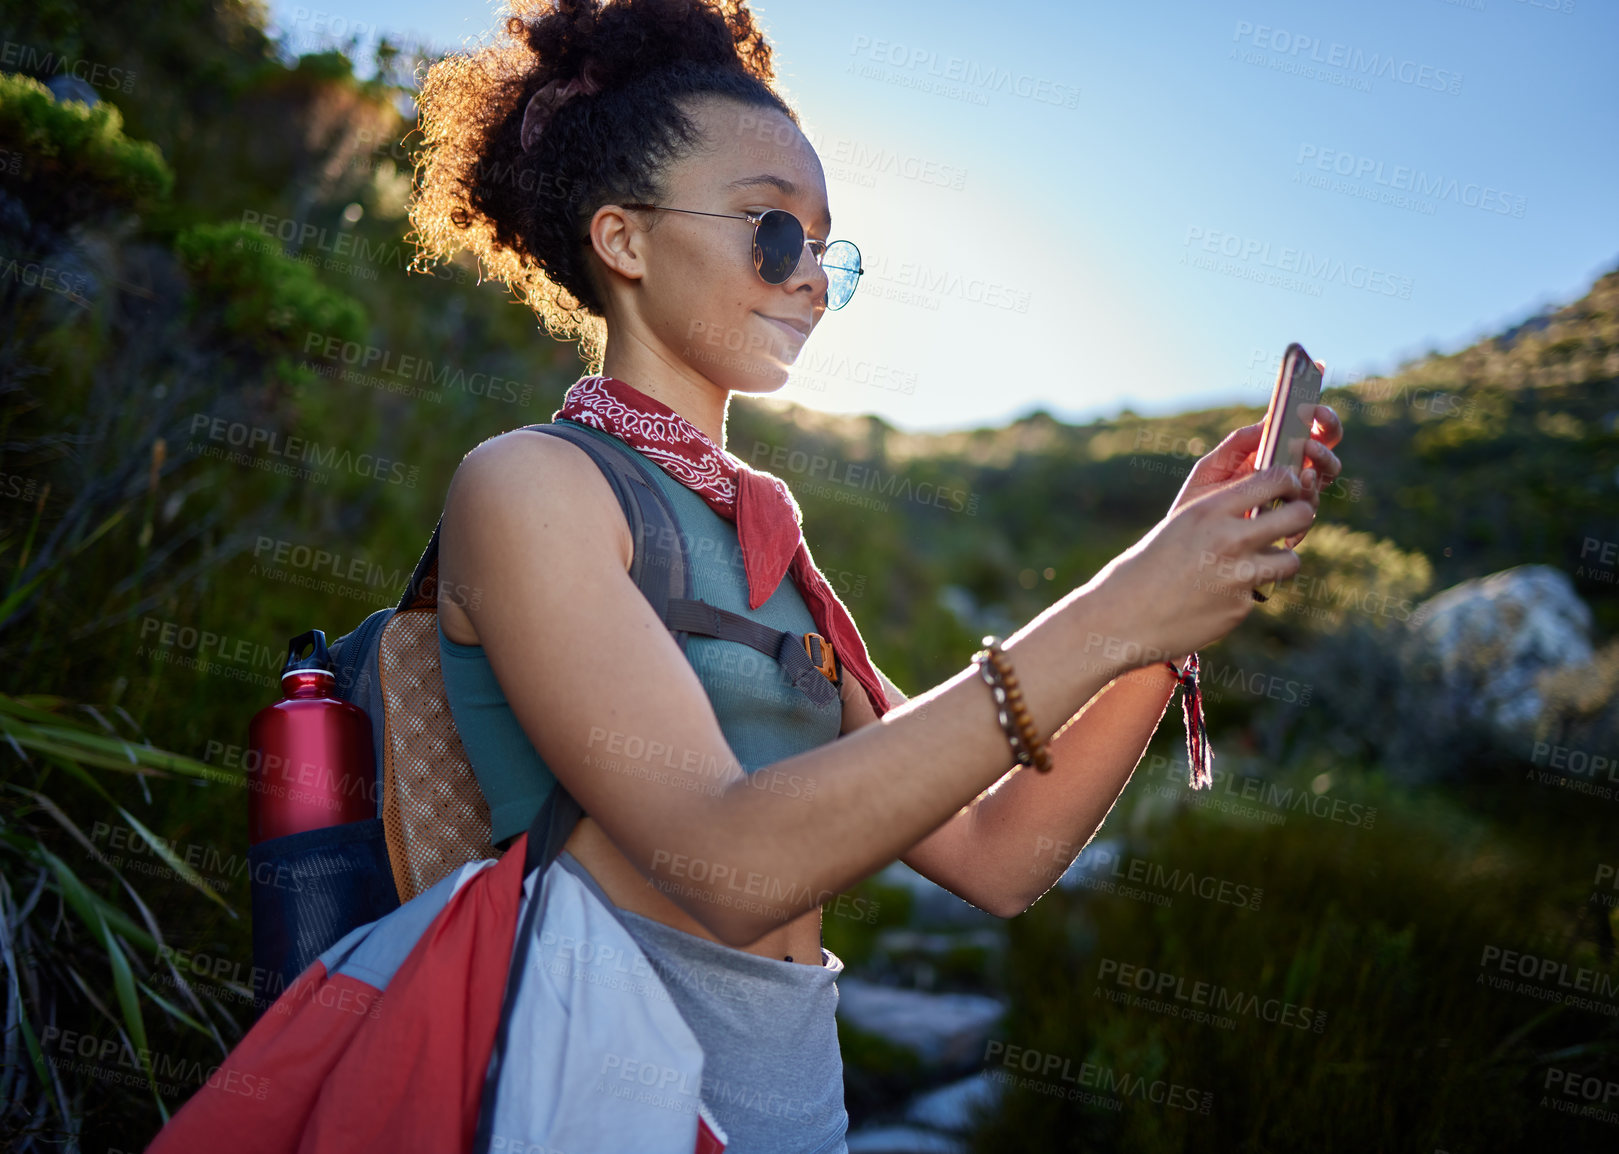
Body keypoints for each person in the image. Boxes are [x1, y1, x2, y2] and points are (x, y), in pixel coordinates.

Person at [408, 1, 1344, 1151]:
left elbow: (1000, 856)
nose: (809, 276)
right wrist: (1118, 605)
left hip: (794, 1114)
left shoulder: (774, 553)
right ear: (626, 240)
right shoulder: (529, 487)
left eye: (825, 247)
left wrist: (1174, 608)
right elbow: (732, 859)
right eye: (771, 230)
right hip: (594, 1105)